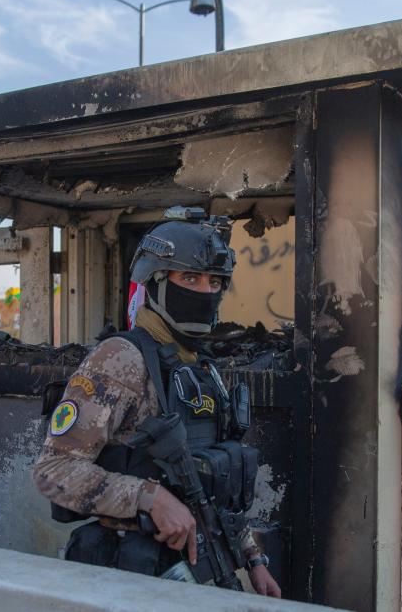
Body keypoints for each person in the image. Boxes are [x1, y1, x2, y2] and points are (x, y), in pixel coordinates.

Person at [33, 216, 281, 597]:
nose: (205, 291)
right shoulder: (121, 359)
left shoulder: (203, 367)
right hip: (128, 576)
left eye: (214, 282)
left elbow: (214, 484)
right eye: (190, 279)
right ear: (156, 283)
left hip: (197, 571)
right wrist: (149, 496)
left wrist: (253, 559)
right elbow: (53, 470)